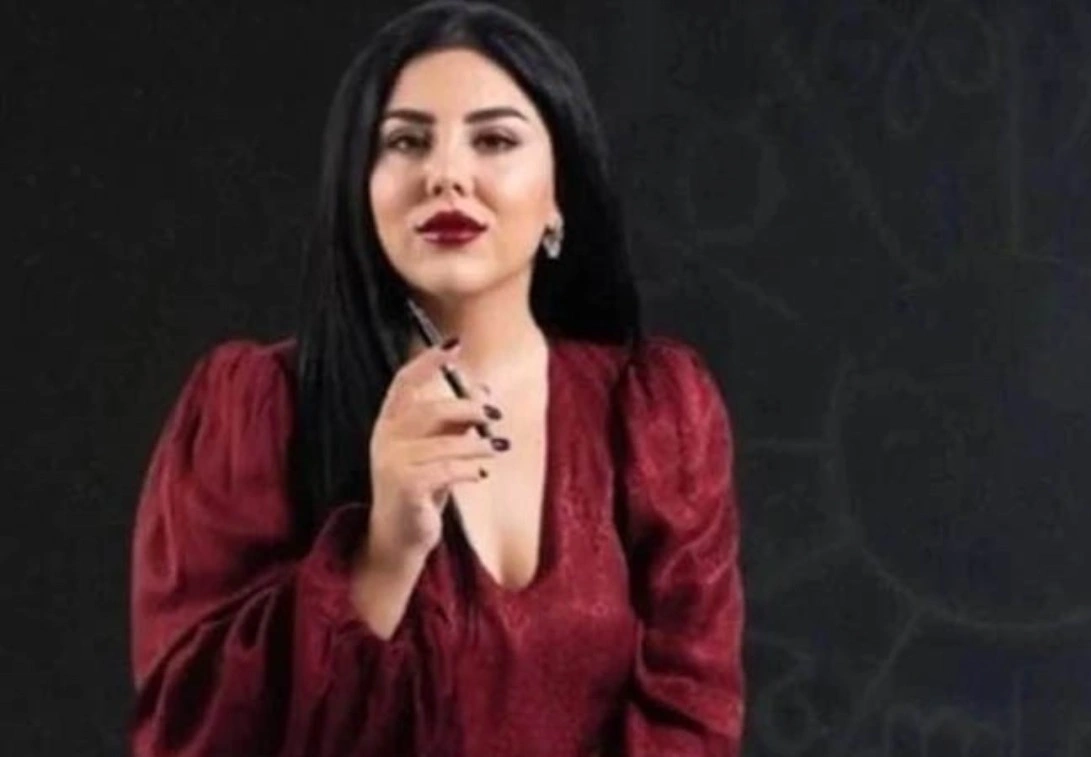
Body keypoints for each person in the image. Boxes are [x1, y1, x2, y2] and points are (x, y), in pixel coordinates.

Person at [127, 2, 745, 755]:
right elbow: (191, 733)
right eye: (406, 142)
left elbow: (694, 714)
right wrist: (383, 552)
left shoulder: (653, 414)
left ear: (561, 192)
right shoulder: (257, 411)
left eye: (494, 140)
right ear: (361, 185)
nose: (445, 174)